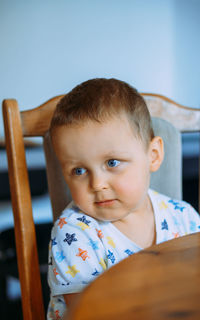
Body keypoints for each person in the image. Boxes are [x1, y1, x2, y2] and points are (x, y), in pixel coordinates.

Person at [47, 78, 200, 319]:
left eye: (112, 163)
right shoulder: (73, 233)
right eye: (78, 170)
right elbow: (88, 312)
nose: (97, 184)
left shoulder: (185, 218)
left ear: (153, 155)